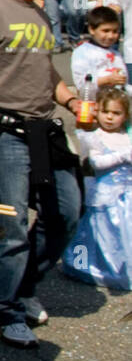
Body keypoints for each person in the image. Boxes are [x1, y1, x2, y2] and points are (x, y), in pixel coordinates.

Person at [0, 0, 90, 349]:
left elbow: (45, 72)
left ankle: (22, 288)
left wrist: (71, 99)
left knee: (68, 214)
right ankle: (5, 310)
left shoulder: (40, 13)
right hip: (7, 136)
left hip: (46, 130)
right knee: (12, 227)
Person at [62, 86, 132, 290]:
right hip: (104, 194)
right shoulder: (94, 136)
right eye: (105, 112)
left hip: (127, 194)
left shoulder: (127, 136)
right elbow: (94, 163)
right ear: (97, 112)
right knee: (96, 234)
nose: (109, 117)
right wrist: (122, 156)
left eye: (116, 113)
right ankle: (82, 265)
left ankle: (123, 269)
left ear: (125, 115)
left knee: (124, 234)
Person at [70, 7, 127, 93]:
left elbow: (123, 77)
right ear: (92, 29)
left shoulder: (116, 54)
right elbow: (81, 84)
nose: (111, 36)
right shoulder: (82, 52)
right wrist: (107, 80)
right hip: (93, 101)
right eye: (105, 31)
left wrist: (121, 78)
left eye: (115, 31)